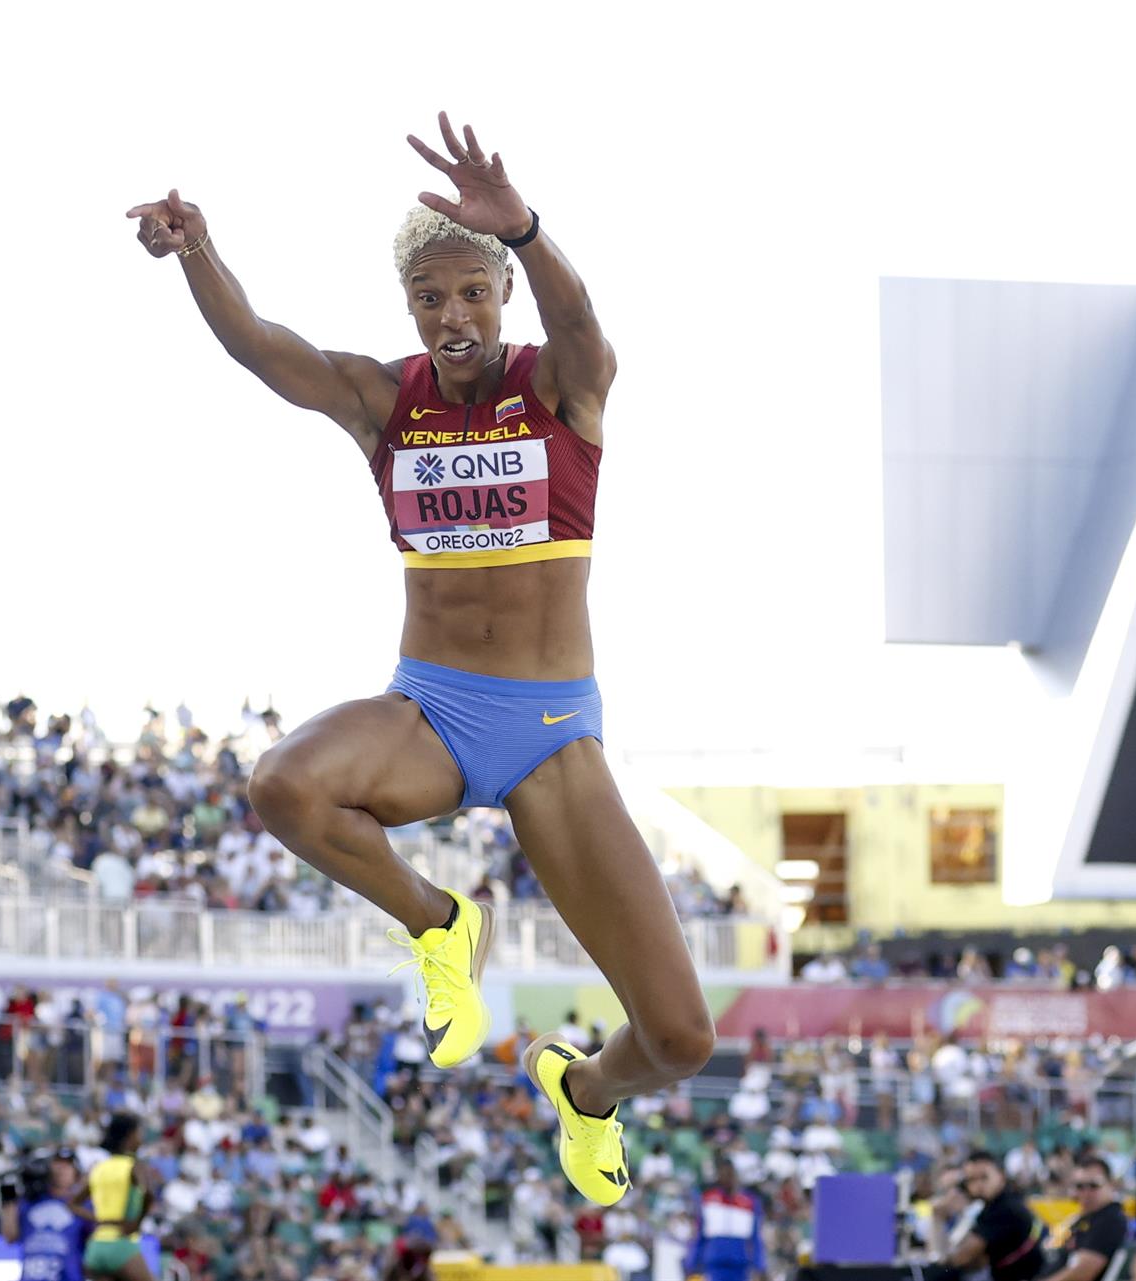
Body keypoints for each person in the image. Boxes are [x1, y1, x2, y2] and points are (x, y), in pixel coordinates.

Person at [124, 110, 715, 1206]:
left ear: (501, 295)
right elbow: (262, 347)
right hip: (433, 711)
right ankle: (442, 926)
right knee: (282, 787)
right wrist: (196, 249)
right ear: (412, 309)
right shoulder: (382, 401)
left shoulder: (559, 387)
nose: (455, 313)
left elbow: (582, 317)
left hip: (551, 737)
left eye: (474, 291)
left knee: (681, 1039)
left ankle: (585, 1090)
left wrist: (525, 230)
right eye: (433, 297)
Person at [944, 1151, 1046, 1281]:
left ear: (1001, 1175)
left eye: (984, 1177)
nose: (978, 1185)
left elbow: (961, 1257)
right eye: (971, 1180)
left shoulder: (1003, 1208)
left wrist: (938, 1217)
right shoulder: (991, 1205)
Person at [76, 1113, 154, 1281]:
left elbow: (73, 1204)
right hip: (122, 1245)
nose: (141, 1138)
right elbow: (149, 1196)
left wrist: (100, 1219)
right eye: (138, 1133)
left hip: (96, 1247)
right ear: (129, 1136)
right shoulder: (134, 1166)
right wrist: (136, 1223)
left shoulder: (98, 1168)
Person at [0, 1147, 86, 1281]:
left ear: (76, 1172)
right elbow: (10, 1237)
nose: (61, 1170)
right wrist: (9, 1201)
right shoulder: (30, 1202)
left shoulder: (83, 1205)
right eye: (57, 1164)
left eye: (67, 1165)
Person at [1043, 1157, 1128, 1281]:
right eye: (1079, 1186)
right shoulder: (1086, 1218)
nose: (1085, 1193)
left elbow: (1082, 1273)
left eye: (1094, 1185)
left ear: (1111, 1185)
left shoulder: (1110, 1219)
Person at [684, 1156, 765, 1281]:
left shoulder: (749, 1202)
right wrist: (691, 1262)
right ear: (718, 1177)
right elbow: (699, 1234)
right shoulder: (708, 1200)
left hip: (740, 1263)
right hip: (714, 1262)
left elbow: (756, 1237)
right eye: (723, 1174)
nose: (727, 1178)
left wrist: (759, 1265)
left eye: (730, 1174)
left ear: (735, 1176)